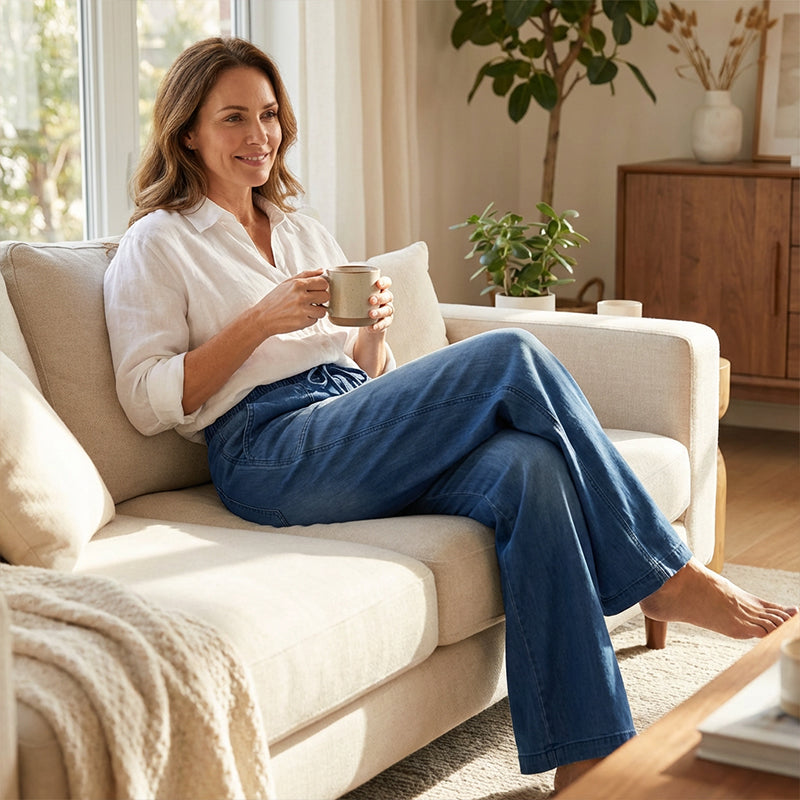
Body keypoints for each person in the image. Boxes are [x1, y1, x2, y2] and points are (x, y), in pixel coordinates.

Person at [104, 37, 796, 793]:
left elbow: (367, 373)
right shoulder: (158, 241)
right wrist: (259, 322)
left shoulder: (298, 227)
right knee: (509, 355)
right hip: (266, 450)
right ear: (188, 133)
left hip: (344, 414)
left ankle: (585, 753)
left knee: (530, 469)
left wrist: (370, 332)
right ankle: (662, 573)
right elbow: (146, 402)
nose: (258, 135)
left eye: (268, 115)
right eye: (233, 118)